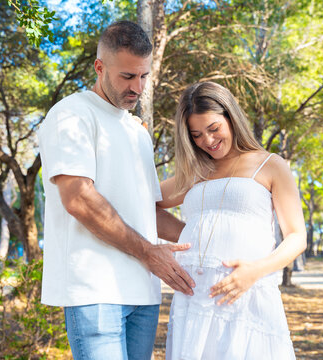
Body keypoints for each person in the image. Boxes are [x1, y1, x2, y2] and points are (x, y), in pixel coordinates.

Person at [38, 21, 195, 360]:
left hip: (144, 291)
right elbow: (78, 198)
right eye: (127, 77)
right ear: (100, 67)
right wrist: (149, 253)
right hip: (95, 290)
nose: (137, 88)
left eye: (144, 77)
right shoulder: (72, 115)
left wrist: (207, 239)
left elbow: (148, 210)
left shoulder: (137, 131)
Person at [158, 81, 307, 359]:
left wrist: (255, 271)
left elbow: (297, 236)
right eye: (196, 135)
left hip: (246, 294)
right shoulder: (196, 171)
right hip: (195, 298)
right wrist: (193, 239)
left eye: (214, 128)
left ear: (231, 116)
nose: (208, 141)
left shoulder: (270, 165)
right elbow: (145, 205)